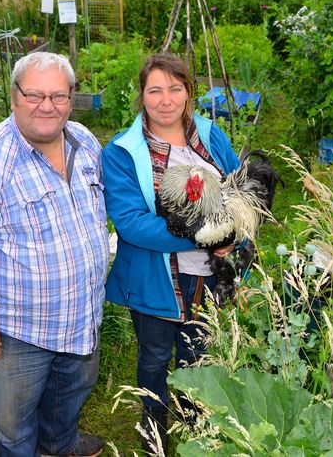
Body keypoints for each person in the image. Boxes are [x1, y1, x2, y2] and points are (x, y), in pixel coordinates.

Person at [0, 52, 110, 457]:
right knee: (14, 427)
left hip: (82, 317)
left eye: (59, 96)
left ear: (70, 98)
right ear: (14, 97)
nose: (47, 106)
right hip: (17, 333)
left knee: (71, 398)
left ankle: (59, 444)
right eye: (35, 94)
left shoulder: (85, 142)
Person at [101, 52, 239, 455]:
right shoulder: (123, 152)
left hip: (211, 274)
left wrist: (237, 239)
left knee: (200, 353)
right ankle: (154, 430)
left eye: (174, 88)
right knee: (155, 356)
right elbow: (132, 223)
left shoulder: (212, 136)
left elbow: (238, 192)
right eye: (155, 89)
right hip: (154, 276)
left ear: (188, 92)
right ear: (141, 96)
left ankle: (196, 425)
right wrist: (205, 236)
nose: (166, 99)